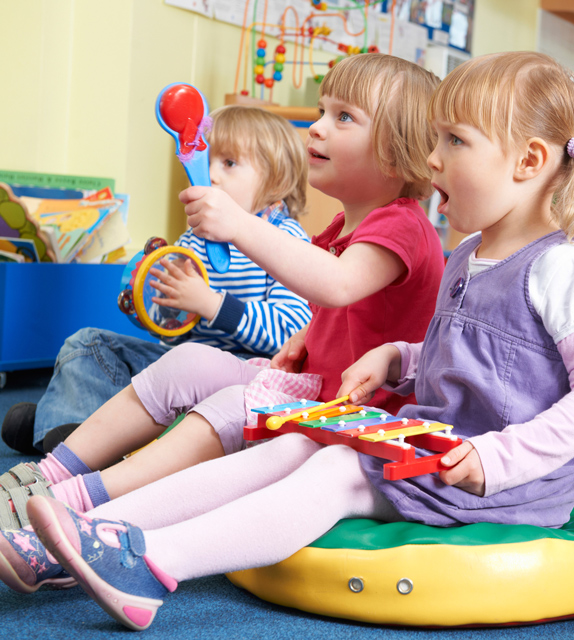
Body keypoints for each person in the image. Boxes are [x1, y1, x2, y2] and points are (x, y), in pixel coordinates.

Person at [0, 50, 574, 632]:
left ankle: (152, 564)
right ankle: (89, 534)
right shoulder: (469, 253)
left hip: (503, 475)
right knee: (297, 445)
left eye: (455, 142)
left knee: (334, 468)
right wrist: (398, 358)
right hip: (434, 439)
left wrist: (498, 462)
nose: (432, 159)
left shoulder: (571, 265)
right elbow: (467, 354)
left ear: (530, 161)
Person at [0, 53, 445, 531]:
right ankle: (45, 475)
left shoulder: (403, 225)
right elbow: (342, 308)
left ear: (398, 150)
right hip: (317, 391)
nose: (317, 128)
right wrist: (306, 338)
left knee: (234, 405)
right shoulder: (341, 225)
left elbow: (337, 285)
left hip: (361, 419)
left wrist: (237, 225)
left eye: (343, 117)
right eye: (320, 111)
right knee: (189, 360)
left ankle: (78, 503)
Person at [1, 105, 313, 456]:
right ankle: (66, 428)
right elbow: (175, 330)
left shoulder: (287, 240)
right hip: (179, 366)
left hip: (240, 378)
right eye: (206, 160)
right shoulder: (195, 238)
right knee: (88, 343)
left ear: (277, 180)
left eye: (228, 163)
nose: (210, 173)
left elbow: (290, 335)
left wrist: (211, 304)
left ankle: (67, 431)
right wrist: (159, 310)